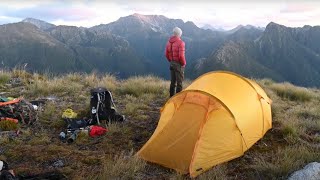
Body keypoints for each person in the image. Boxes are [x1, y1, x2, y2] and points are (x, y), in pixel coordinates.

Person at [165, 27, 186, 97]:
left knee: (173, 82)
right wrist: (183, 64)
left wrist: (170, 61)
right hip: (178, 64)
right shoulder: (181, 43)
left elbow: (166, 54)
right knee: (179, 83)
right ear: (179, 34)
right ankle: (178, 99)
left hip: (172, 64)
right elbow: (181, 56)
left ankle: (171, 97)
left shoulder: (168, 42)